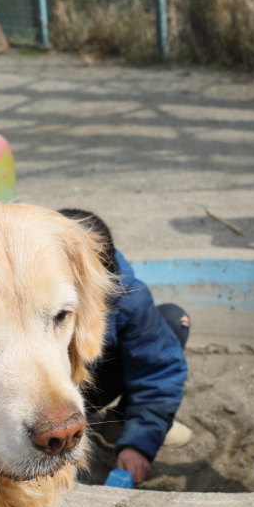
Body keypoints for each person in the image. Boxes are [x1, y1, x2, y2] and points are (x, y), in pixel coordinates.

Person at [59, 208, 190, 486]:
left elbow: (157, 373)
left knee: (172, 321)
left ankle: (123, 424)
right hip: (42, 387)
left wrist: (139, 444)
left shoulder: (128, 298)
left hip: (91, 382)